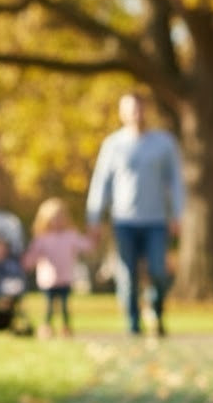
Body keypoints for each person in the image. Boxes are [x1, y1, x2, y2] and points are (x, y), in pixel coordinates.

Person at [86, 91, 184, 337]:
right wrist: (94, 218)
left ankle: (157, 312)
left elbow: (176, 182)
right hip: (124, 221)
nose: (136, 114)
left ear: (147, 111)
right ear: (122, 113)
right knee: (127, 276)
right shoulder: (113, 145)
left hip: (156, 220)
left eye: (140, 109)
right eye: (131, 109)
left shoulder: (164, 143)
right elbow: (101, 183)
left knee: (158, 272)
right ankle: (133, 324)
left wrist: (178, 214)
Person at [22, 197, 94, 338]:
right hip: (48, 280)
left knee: (65, 306)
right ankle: (47, 326)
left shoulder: (70, 236)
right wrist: (26, 263)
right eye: (55, 218)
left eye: (61, 218)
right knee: (49, 306)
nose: (58, 222)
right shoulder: (42, 239)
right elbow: (33, 255)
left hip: (65, 278)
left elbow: (86, 245)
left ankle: (66, 327)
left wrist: (94, 238)